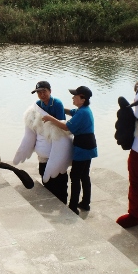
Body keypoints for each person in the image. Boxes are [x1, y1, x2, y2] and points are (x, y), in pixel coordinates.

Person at [42, 86, 97, 215]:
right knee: (84, 175)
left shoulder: (83, 112)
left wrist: (50, 118)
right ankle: (85, 203)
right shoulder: (83, 110)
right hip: (89, 145)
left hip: (83, 147)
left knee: (75, 176)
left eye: (75, 96)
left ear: (82, 99)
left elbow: (66, 127)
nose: (73, 98)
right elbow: (70, 112)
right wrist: (59, 107)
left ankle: (73, 207)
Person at [33, 81, 69, 204]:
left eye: (44, 91)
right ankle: (50, 198)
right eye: (39, 92)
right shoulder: (38, 104)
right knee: (44, 172)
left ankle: (63, 200)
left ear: (50, 91)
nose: (42, 95)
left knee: (59, 174)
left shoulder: (57, 103)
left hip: (57, 142)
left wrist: (50, 119)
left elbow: (62, 125)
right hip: (45, 144)